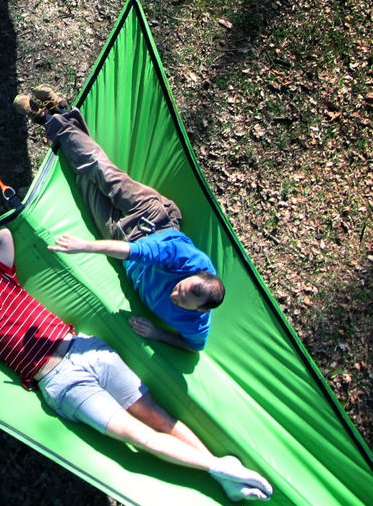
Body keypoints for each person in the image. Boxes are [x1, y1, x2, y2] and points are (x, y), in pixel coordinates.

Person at [0, 227, 272, 502]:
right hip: (62, 384)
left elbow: (1, 235)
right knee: (135, 436)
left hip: (87, 349)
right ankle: (216, 466)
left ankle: (222, 473)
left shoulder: (2, 278)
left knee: (157, 416)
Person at [16, 87, 224, 352]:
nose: (177, 293)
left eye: (183, 299)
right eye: (181, 287)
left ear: (201, 310)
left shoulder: (196, 324)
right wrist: (85, 246)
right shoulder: (186, 259)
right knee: (99, 169)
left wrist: (158, 333)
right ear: (193, 275)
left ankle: (63, 113)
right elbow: (133, 251)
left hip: (121, 237)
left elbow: (195, 347)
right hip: (152, 219)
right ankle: (46, 117)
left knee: (85, 180)